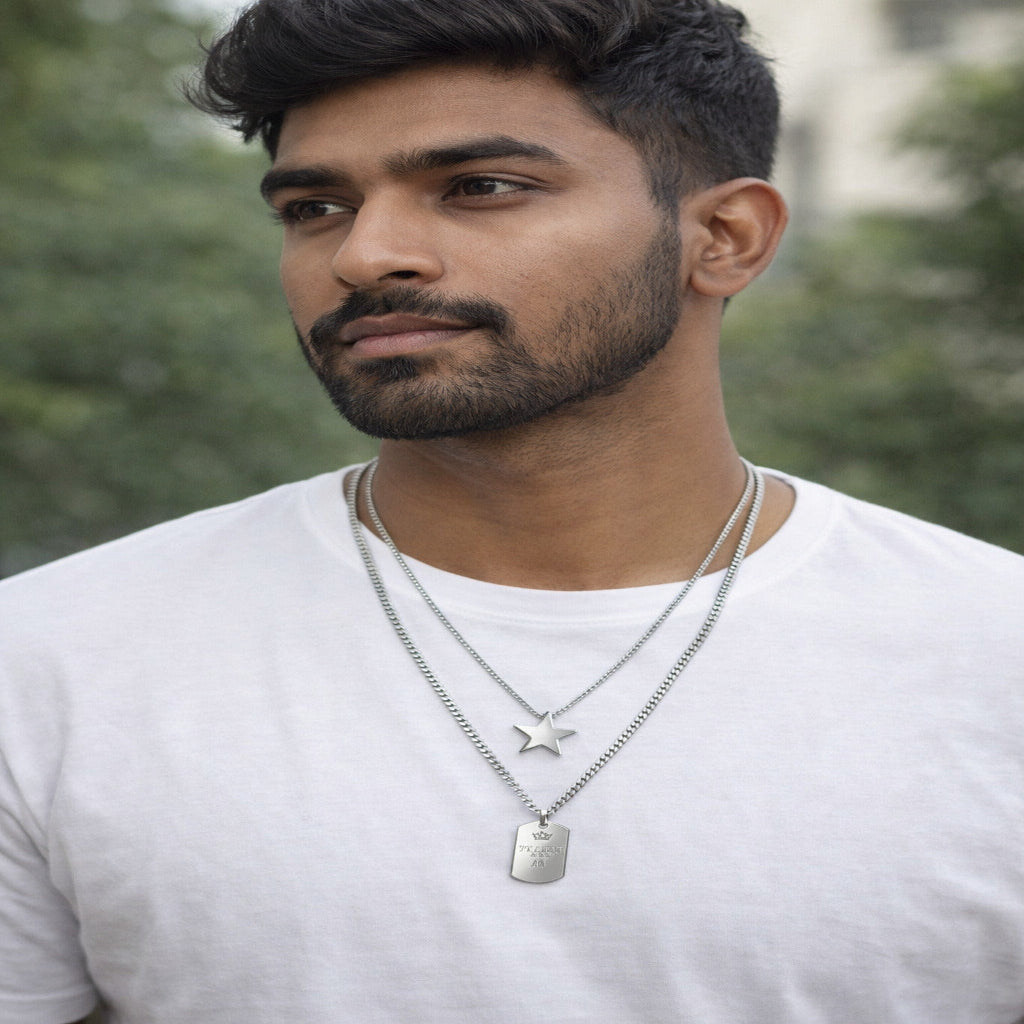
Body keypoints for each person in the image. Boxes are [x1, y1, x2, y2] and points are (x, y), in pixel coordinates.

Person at [1, 0, 1022, 1020]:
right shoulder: (52, 662)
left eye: (479, 187)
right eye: (315, 207)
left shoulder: (991, 658)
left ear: (724, 236)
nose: (367, 255)